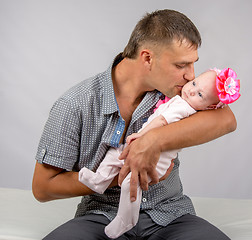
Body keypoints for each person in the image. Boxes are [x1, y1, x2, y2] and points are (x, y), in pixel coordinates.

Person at [32, 9, 237, 240]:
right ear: (147, 58)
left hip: (170, 215)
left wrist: (152, 141)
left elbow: (227, 119)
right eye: (181, 65)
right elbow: (42, 188)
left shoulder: (177, 94)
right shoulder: (74, 104)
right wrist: (120, 176)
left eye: (193, 64)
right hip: (101, 216)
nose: (191, 76)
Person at [78, 68, 240, 238]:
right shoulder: (178, 98)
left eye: (200, 95)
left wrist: (141, 135)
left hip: (156, 161)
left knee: (130, 183)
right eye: (194, 83)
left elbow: (161, 121)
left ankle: (126, 219)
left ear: (210, 107)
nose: (191, 89)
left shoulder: (185, 109)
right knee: (115, 154)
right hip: (140, 148)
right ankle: (99, 180)